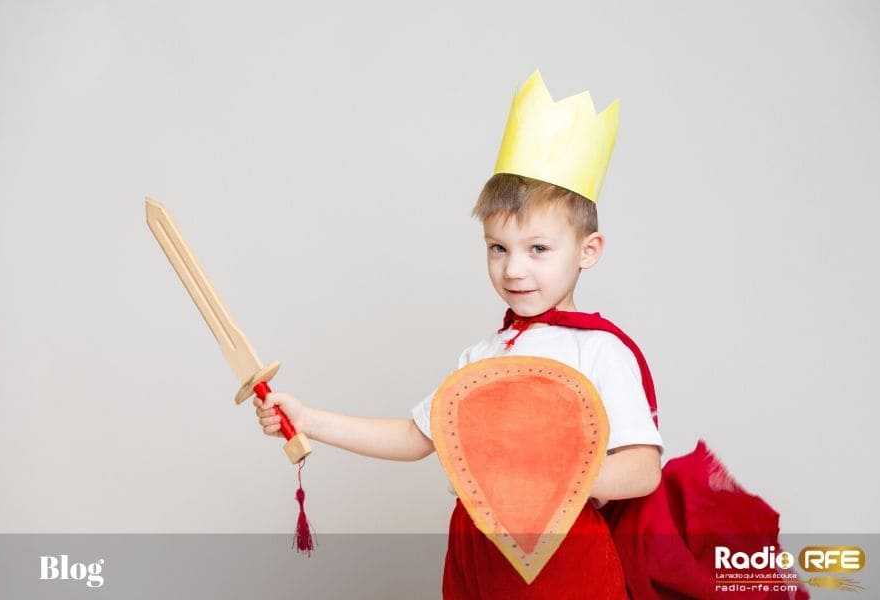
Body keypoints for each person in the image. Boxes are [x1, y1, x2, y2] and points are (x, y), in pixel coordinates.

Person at [254, 71, 806, 599]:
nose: (514, 270)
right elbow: (418, 437)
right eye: (499, 248)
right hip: (476, 550)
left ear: (588, 251)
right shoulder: (482, 356)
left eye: (538, 249)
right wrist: (309, 420)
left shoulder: (598, 351)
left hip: (562, 556)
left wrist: (557, 482)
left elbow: (641, 468)